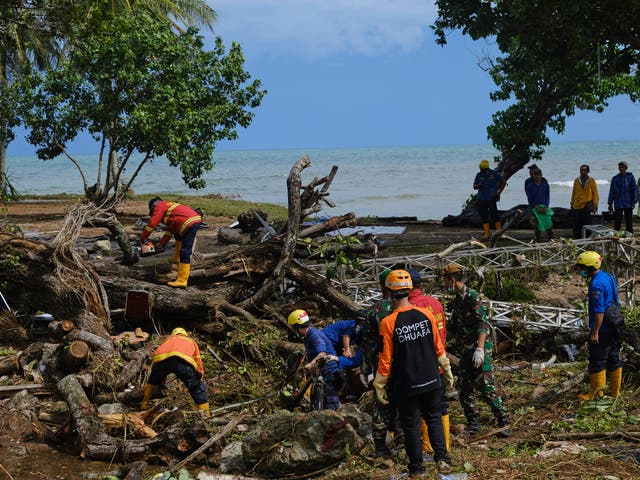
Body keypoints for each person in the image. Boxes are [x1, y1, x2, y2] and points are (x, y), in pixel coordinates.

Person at [375, 269, 455, 475]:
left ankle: (417, 469)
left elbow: (385, 358)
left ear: (389, 292)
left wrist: (380, 384)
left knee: (410, 425)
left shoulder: (388, 323)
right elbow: (439, 347)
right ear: (410, 289)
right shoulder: (426, 314)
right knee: (434, 418)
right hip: (431, 377)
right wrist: (446, 371)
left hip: (407, 382)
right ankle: (442, 459)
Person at [441, 263, 511, 437]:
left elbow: (483, 324)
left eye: (445, 281)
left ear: (451, 280)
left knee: (486, 387)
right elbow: (453, 327)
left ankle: (503, 420)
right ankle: (473, 423)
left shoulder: (472, 296)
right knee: (464, 388)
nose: (444, 285)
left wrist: (480, 348)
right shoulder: (457, 300)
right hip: (465, 349)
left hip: (479, 349)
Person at [406, 268, 450, 457]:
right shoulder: (436, 303)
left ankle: (426, 448)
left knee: (418, 411)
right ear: (421, 284)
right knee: (440, 406)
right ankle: (444, 447)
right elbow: (443, 333)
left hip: (418, 367)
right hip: (439, 362)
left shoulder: (409, 307)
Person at [574, 251, 623, 400]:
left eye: (582, 268)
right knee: (614, 357)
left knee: (597, 360)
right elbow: (616, 300)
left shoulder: (596, 285)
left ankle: (596, 395)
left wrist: (595, 332)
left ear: (589, 268)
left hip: (602, 328)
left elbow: (599, 311)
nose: (581, 271)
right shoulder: (608, 276)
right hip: (615, 324)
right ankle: (615, 393)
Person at [140, 327, 209, 415]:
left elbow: (162, 355)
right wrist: (200, 375)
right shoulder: (191, 341)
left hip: (162, 361)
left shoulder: (168, 339)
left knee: (151, 382)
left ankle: (144, 404)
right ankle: (206, 414)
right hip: (183, 362)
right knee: (197, 388)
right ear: (185, 334)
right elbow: (198, 360)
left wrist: (161, 381)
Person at [141, 197, 203, 287]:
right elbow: (171, 230)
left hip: (190, 223)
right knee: (177, 236)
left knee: (185, 252)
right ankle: (177, 258)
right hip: (191, 220)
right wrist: (162, 243)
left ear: (154, 206)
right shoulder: (170, 209)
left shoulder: (159, 206)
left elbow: (152, 223)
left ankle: (182, 280)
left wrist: (143, 236)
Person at [287, 309, 342, 410]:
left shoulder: (314, 335)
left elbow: (322, 353)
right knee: (318, 401)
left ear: (298, 326)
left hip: (330, 372)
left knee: (330, 403)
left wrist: (310, 364)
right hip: (322, 372)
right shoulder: (308, 336)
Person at [473, 159, 506, 240]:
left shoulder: (494, 174)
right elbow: (474, 186)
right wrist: (478, 185)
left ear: (487, 168)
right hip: (481, 198)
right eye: (481, 169)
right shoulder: (478, 175)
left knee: (494, 215)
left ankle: (499, 233)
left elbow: (503, 181)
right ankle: (487, 234)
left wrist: (498, 192)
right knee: (483, 216)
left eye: (484, 169)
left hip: (491, 198)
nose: (483, 171)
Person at [607, 161, 637, 234]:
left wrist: (634, 201)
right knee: (617, 222)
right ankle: (617, 236)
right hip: (618, 203)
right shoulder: (615, 178)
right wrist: (610, 203)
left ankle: (630, 236)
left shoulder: (630, 177)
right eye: (620, 167)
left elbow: (634, 190)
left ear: (626, 168)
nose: (621, 168)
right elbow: (612, 191)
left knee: (629, 222)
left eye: (623, 167)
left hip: (628, 203)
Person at [570, 164, 599, 239]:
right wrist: (572, 203)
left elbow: (595, 193)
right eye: (581, 170)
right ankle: (577, 241)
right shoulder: (576, 180)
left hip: (587, 206)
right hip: (577, 205)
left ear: (588, 171)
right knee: (576, 226)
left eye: (584, 170)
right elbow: (574, 192)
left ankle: (587, 241)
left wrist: (595, 206)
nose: (583, 172)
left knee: (588, 225)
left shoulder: (591, 181)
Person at [525, 168, 554, 242]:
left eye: (538, 175)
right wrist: (535, 206)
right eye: (535, 175)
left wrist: (546, 206)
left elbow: (547, 196)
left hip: (544, 207)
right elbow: (530, 198)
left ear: (541, 175)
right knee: (537, 227)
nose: (537, 177)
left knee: (549, 225)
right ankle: (538, 242)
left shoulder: (545, 184)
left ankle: (551, 241)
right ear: (533, 176)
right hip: (535, 208)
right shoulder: (530, 186)